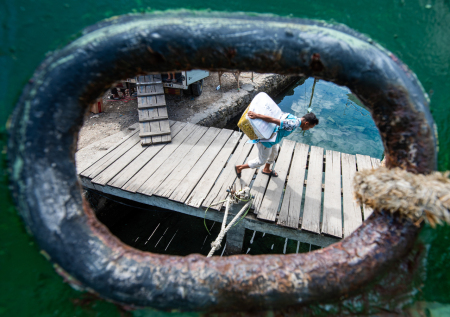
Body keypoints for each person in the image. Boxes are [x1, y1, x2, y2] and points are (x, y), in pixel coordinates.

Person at [235, 111, 319, 178]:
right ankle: (239, 167)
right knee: (261, 161)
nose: (308, 129)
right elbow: (274, 120)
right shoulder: (293, 124)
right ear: (306, 123)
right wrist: (257, 115)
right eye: (310, 127)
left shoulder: (292, 117)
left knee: (274, 154)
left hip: (273, 138)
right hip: (266, 142)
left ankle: (266, 169)